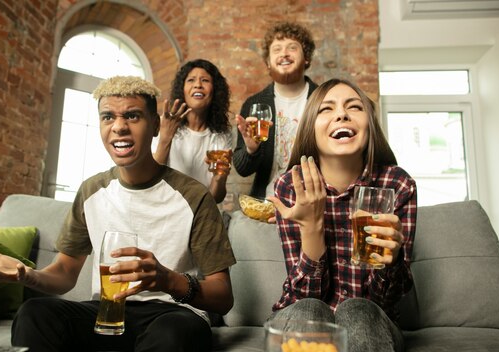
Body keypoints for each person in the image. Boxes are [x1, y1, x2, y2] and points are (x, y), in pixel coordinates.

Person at [0, 76, 236, 352]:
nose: (119, 127)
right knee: (35, 312)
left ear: (155, 125)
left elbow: (222, 297)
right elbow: (64, 272)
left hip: (172, 314)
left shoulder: (193, 195)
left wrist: (167, 280)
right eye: (108, 117)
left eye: (133, 116)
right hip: (107, 313)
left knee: (174, 332)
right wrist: (28, 276)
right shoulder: (91, 191)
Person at [266, 78, 417, 351]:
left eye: (354, 107)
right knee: (309, 310)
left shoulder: (396, 185)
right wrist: (312, 226)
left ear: (369, 125)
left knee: (359, 310)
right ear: (310, 127)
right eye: (327, 109)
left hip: (372, 318)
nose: (341, 114)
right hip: (302, 310)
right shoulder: (290, 186)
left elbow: (385, 301)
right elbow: (303, 297)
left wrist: (392, 259)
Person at [233, 21, 318, 198]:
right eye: (277, 49)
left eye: (292, 48)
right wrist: (251, 150)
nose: (284, 54)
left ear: (307, 57)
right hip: (267, 203)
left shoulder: (324, 99)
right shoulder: (254, 104)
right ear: (268, 62)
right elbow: (242, 169)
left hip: (314, 203)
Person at [152, 59, 233, 203]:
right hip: (166, 208)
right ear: (182, 90)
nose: (198, 85)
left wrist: (219, 178)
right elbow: (151, 179)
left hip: (202, 213)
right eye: (191, 80)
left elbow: (215, 198)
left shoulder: (222, 134)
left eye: (205, 80)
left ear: (214, 90)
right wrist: (165, 137)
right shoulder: (166, 123)